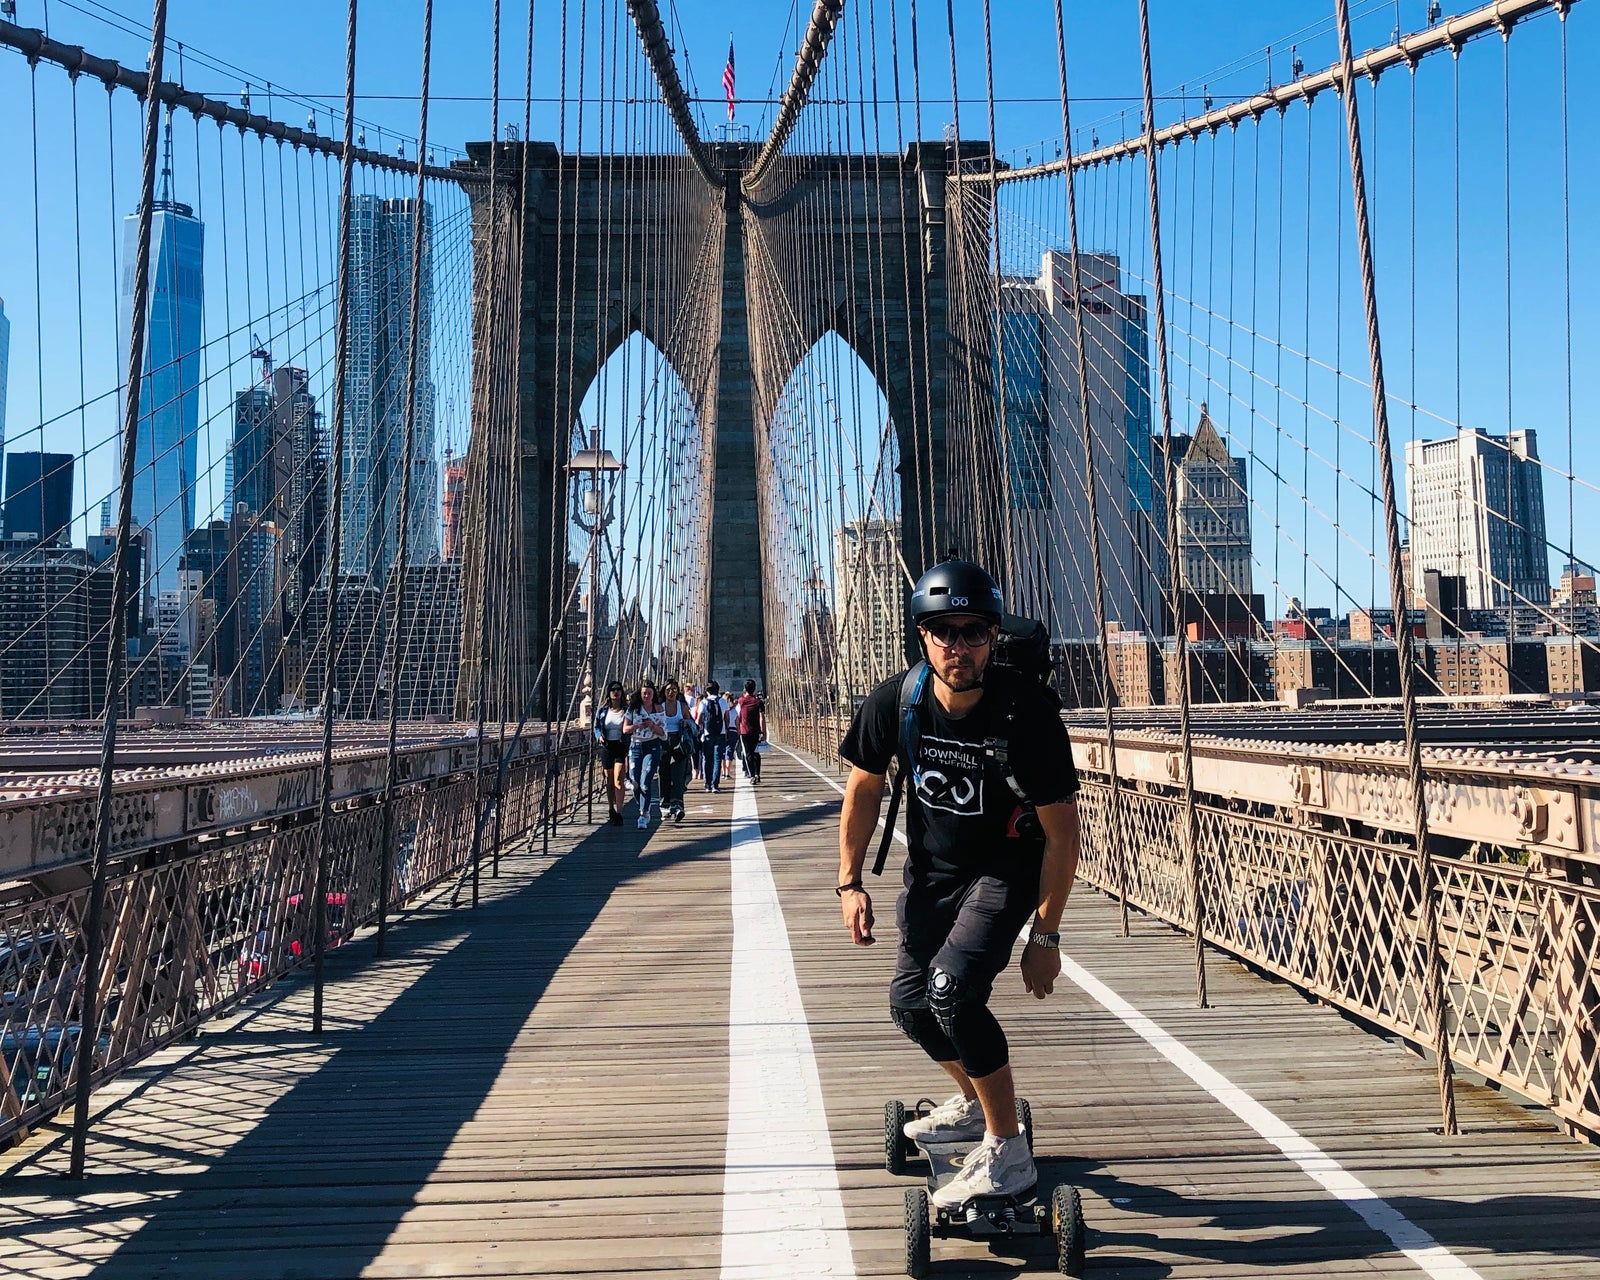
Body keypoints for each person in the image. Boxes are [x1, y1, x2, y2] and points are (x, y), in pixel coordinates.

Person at [835, 558, 1081, 1212]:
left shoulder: (1027, 716)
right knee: (912, 1004)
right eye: (944, 630)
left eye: (974, 631)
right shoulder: (899, 700)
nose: (958, 645)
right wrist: (848, 883)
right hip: (934, 872)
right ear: (922, 635)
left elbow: (1063, 832)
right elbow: (863, 786)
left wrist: (1046, 934)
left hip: (1006, 869)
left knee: (952, 990)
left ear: (994, 638)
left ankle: (1009, 1153)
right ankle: (975, 1106)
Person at [624, 679, 667, 830]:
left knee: (645, 782)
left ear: (653, 693)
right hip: (635, 746)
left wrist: (652, 726)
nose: (646, 696)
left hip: (652, 746)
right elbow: (625, 729)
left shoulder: (659, 708)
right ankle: (642, 805)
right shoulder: (633, 708)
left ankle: (644, 814)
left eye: (649, 693)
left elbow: (663, 733)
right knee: (635, 782)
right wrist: (638, 725)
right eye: (644, 693)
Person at [593, 680, 629, 826]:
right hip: (607, 746)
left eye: (618, 689)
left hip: (620, 746)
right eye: (613, 690)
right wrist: (599, 736)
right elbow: (596, 727)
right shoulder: (602, 711)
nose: (616, 692)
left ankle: (619, 812)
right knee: (609, 780)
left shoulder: (627, 710)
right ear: (609, 693)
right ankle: (611, 808)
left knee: (618, 780)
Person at [658, 679, 693, 824]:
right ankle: (665, 806)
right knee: (664, 774)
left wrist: (686, 722)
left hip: (679, 743)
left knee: (678, 775)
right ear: (663, 691)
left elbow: (691, 722)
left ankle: (678, 806)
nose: (671, 692)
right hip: (663, 742)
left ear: (678, 691)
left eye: (673, 689)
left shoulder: (682, 706)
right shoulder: (659, 707)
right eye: (668, 690)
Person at [732, 679, 767, 783]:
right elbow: (762, 718)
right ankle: (757, 774)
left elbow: (737, 718)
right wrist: (763, 732)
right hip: (756, 731)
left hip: (745, 731)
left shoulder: (741, 701)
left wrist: (738, 730)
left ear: (745, 689)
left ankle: (752, 775)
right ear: (754, 689)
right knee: (756, 753)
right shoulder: (758, 702)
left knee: (748, 754)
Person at [695, 680, 727, 792]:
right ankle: (715, 785)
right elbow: (726, 718)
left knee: (707, 759)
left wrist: (701, 728)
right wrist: (725, 730)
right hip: (720, 733)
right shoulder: (723, 701)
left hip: (707, 734)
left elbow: (698, 720)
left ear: (707, 691)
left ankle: (707, 784)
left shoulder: (703, 702)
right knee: (718, 759)